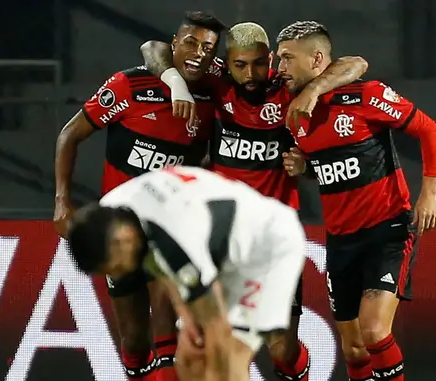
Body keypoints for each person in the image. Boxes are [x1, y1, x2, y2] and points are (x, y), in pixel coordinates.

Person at [139, 21, 368, 380]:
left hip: (275, 235)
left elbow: (356, 64)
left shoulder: (287, 87)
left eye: (259, 63)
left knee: (282, 350)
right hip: (223, 230)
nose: (251, 73)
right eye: (241, 65)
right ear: (226, 63)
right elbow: (153, 48)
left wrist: (313, 92)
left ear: (271, 59)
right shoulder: (217, 84)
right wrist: (176, 84)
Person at [53, 11, 227, 381]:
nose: (198, 53)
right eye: (191, 43)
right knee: (134, 339)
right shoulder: (129, 87)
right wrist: (61, 200)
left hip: (168, 225)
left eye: (208, 48)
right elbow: (69, 135)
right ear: (175, 44)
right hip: (120, 227)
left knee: (166, 316)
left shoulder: (214, 89)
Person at [277, 21, 436, 381]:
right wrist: (306, 166)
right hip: (340, 240)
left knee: (373, 332)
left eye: (288, 59)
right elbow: (331, 166)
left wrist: (429, 192)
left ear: (317, 59)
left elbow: (429, 130)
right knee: (353, 347)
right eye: (278, 59)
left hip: (387, 229)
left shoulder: (364, 96)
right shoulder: (293, 112)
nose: (280, 68)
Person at [66, 166, 307, 381]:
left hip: (267, 247)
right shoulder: (114, 210)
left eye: (116, 268)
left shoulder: (173, 237)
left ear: (123, 240)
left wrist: (203, 329)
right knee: (190, 360)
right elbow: (160, 264)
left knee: (228, 358)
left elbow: (216, 324)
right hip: (219, 246)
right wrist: (187, 318)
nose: (119, 275)